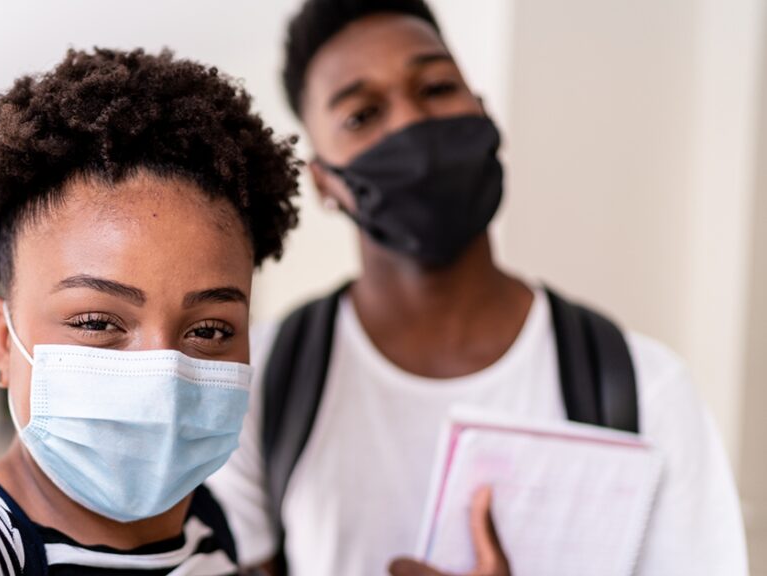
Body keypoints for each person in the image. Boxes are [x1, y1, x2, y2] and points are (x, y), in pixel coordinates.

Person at [206, 1, 748, 575]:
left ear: (485, 114)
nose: (412, 123)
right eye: (362, 115)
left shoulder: (646, 390)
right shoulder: (256, 384)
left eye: (437, 86)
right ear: (323, 182)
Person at [0, 47, 301, 575]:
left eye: (210, 329)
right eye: (97, 322)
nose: (164, 374)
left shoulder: (212, 523)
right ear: (3, 341)